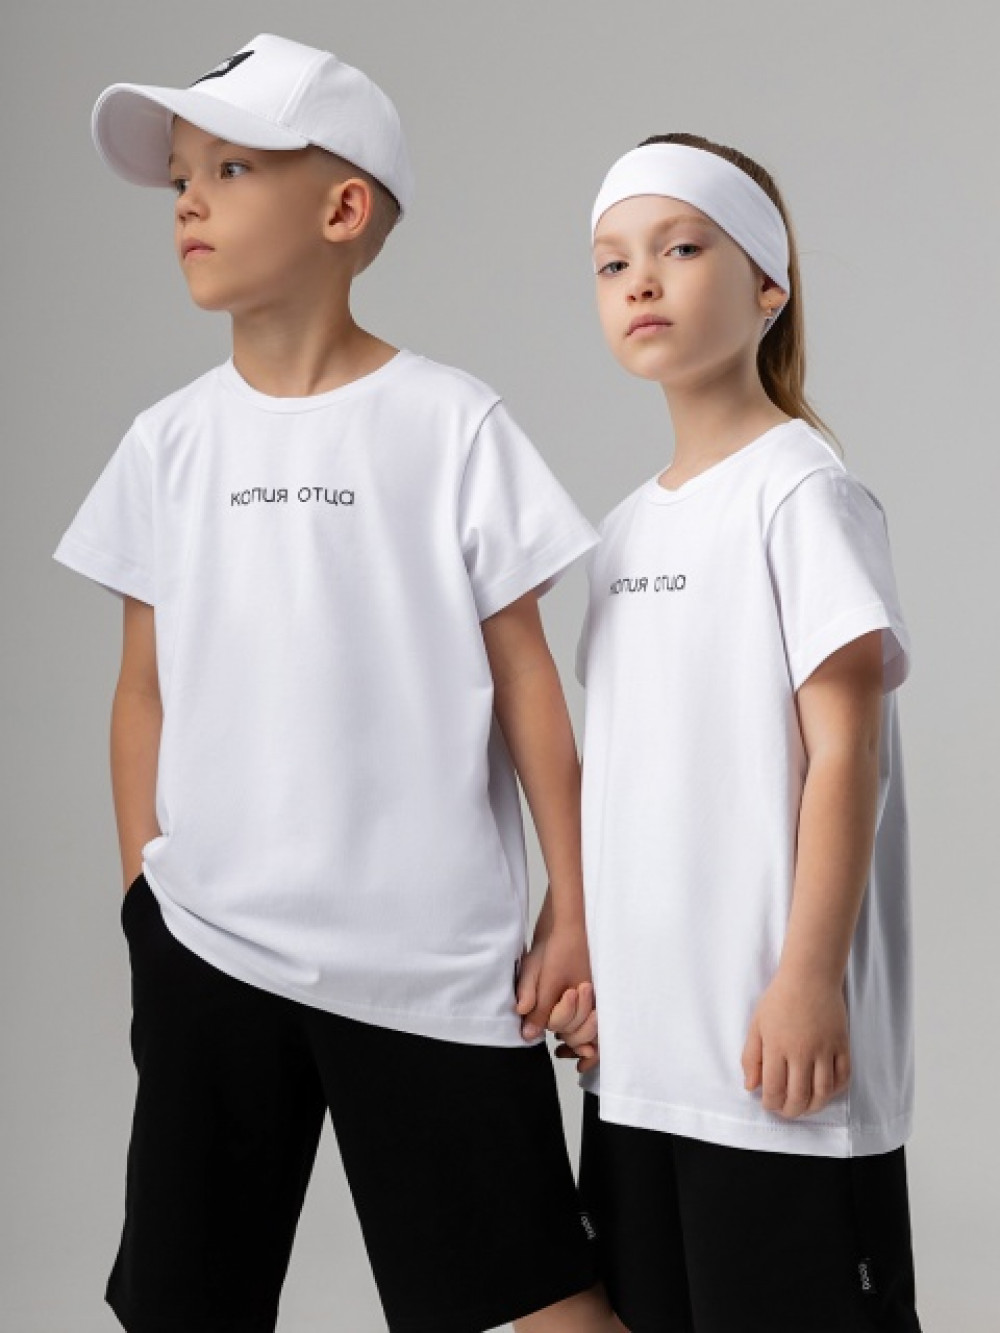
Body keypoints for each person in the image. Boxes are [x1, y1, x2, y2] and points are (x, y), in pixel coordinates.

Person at [52, 32, 619, 1333]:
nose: (188, 202)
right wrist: (144, 895)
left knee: (536, 1298)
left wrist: (576, 904)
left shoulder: (450, 424)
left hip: (427, 955)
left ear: (343, 208)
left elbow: (528, 686)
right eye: (180, 176)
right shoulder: (168, 444)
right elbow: (142, 689)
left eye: (230, 168)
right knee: (185, 1302)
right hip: (210, 943)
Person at [546, 135, 922, 1331]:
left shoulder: (801, 491)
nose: (640, 281)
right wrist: (597, 967)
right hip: (641, 1068)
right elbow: (630, 781)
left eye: (680, 247)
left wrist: (807, 978)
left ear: (767, 285)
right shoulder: (618, 535)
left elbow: (846, 756)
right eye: (612, 263)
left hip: (773, 1062)